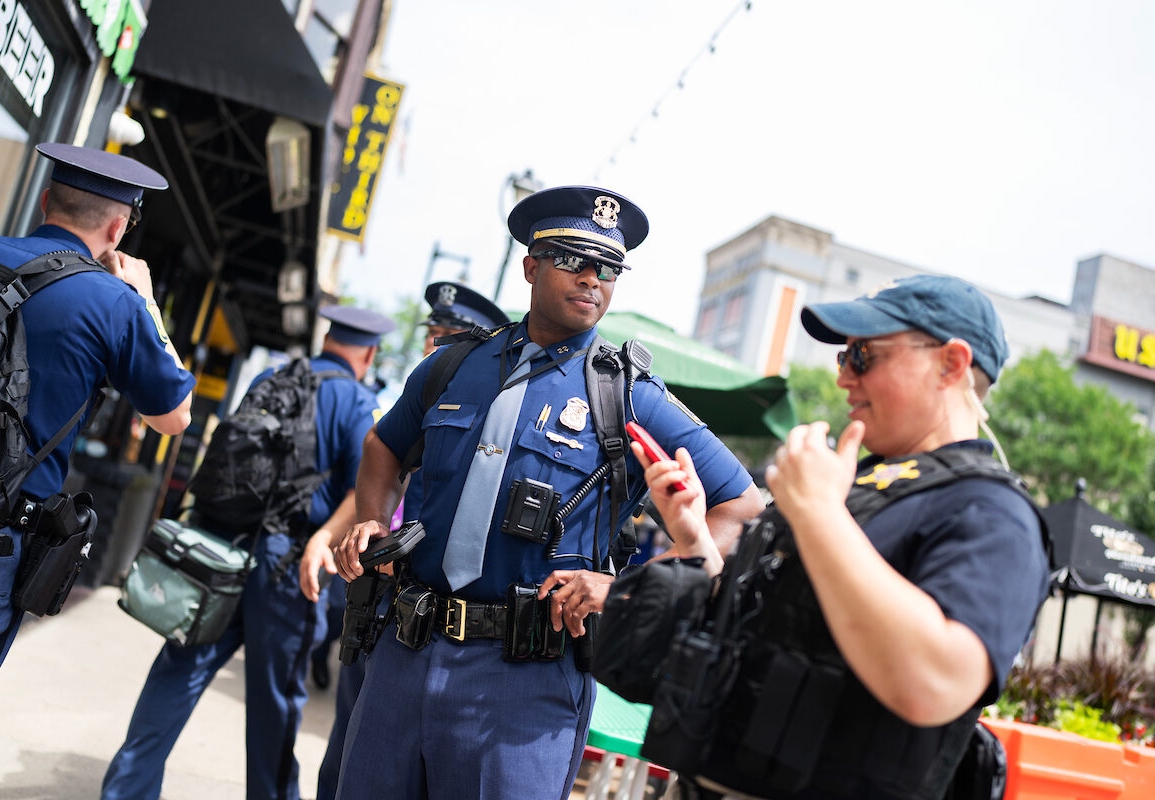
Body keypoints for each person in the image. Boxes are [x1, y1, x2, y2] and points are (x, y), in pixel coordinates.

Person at [332, 185, 764, 799]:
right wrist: (373, 519)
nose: (594, 279)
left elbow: (740, 507)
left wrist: (629, 589)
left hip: (523, 684)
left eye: (609, 268)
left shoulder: (627, 394)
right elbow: (384, 446)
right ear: (531, 266)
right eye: (575, 260)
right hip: (404, 652)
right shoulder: (454, 366)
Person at [635, 275, 1050, 799]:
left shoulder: (991, 511)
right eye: (843, 358)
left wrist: (818, 514)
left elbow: (937, 681)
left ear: (951, 364)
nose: (843, 379)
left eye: (863, 357)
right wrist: (694, 537)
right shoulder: (855, 484)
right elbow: (775, 624)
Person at [101, 305, 394, 800]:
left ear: (327, 338)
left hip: (220, 551)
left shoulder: (271, 376)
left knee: (176, 675)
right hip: (288, 568)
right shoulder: (357, 401)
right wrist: (324, 538)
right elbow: (362, 489)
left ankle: (125, 792)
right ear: (368, 353)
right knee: (273, 706)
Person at [0, 143, 195, 724]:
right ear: (118, 229)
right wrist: (148, 304)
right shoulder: (115, 303)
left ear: (46, 200)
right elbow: (175, 417)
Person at [301, 281, 510, 800]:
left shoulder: (490, 408)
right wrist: (328, 537)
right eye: (431, 335)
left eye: (447, 336)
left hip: (440, 617)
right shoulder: (423, 400)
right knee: (349, 754)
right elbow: (379, 470)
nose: (432, 348)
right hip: (383, 602)